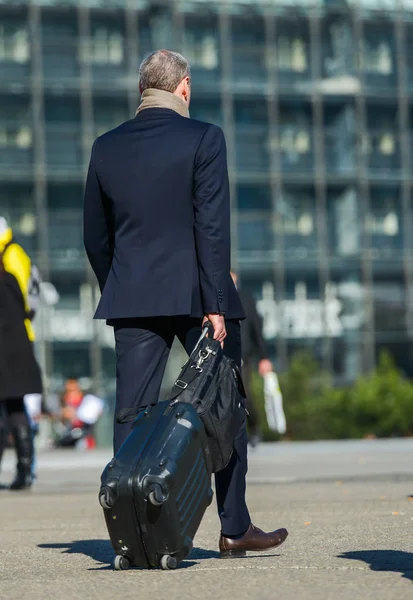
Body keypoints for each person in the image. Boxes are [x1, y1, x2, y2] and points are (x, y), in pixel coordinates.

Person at [84, 49, 288, 556]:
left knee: (130, 413)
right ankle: (234, 527)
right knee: (226, 404)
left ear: (141, 90)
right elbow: (210, 226)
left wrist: (124, 283)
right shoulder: (203, 137)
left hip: (132, 295)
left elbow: (95, 237)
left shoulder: (106, 147)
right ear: (185, 88)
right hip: (198, 297)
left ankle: (131, 536)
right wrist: (218, 300)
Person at [0, 219, 42, 490]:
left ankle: (25, 470)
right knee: (13, 406)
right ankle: (25, 470)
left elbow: (25, 298)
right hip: (15, 339)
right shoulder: (12, 253)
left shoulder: (11, 254)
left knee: (12, 406)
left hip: (9, 340)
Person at [230, 271, 273, 447]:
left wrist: (263, 357)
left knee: (244, 394)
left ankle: (253, 428)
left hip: (243, 355)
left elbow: (256, 327)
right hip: (220, 355)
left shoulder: (246, 298)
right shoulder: (214, 296)